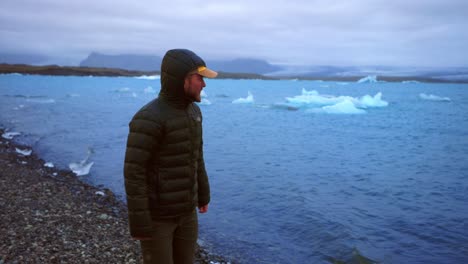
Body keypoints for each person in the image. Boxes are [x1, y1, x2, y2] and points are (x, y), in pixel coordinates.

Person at [123, 49, 217, 264]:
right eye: (199, 78)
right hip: (158, 218)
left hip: (187, 213)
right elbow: (133, 172)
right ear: (182, 79)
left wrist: (203, 195)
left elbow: (196, 157)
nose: (204, 84)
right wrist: (140, 223)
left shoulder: (194, 113)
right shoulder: (148, 118)